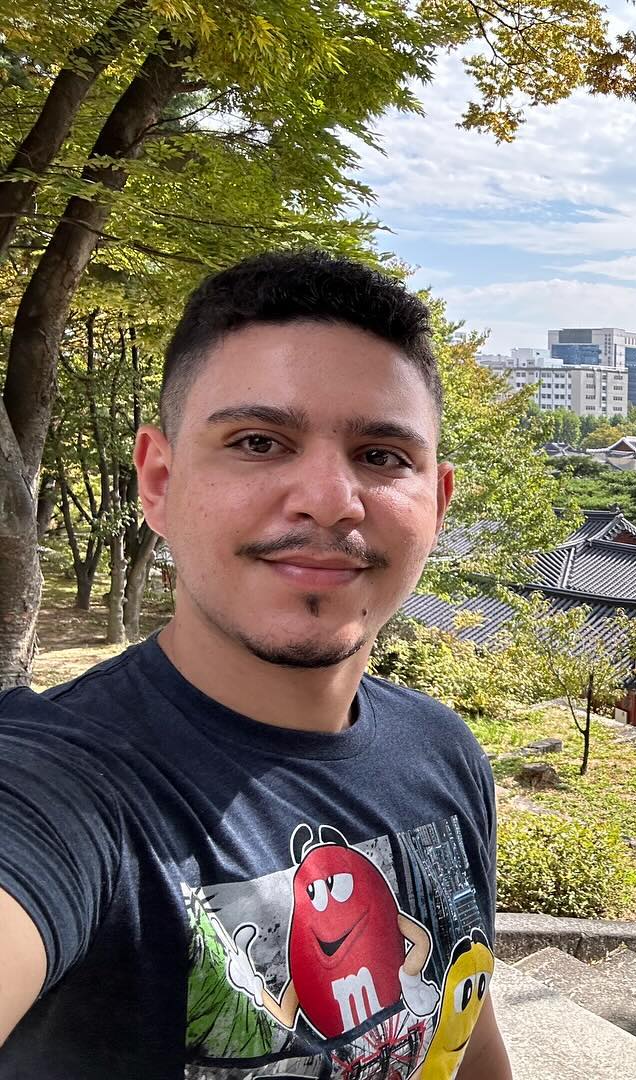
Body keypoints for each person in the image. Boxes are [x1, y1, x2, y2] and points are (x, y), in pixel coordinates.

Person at [0, 253, 511, 1078]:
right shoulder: (59, 785)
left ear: (437, 504)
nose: (330, 498)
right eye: (258, 441)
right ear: (160, 481)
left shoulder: (444, 753)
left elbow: (464, 1020)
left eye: (383, 456)